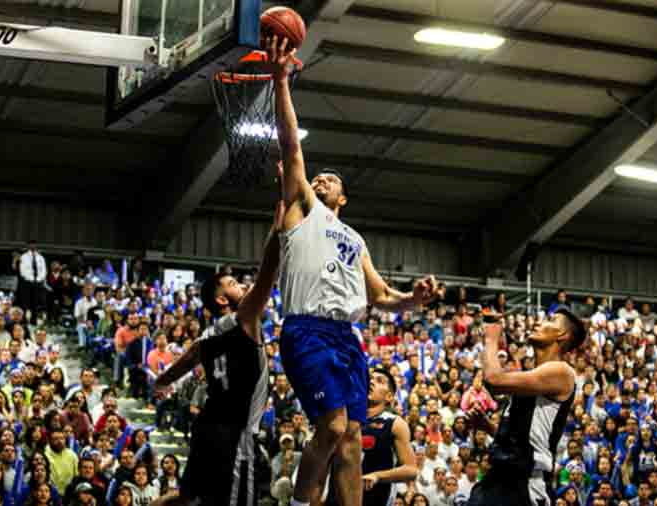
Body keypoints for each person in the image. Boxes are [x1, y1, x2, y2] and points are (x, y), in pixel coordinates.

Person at [267, 34, 440, 506]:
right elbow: (289, 143)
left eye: (331, 179)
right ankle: (302, 503)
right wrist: (282, 80)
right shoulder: (302, 208)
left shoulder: (355, 238)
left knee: (353, 439)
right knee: (334, 426)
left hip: (347, 336)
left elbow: (382, 295)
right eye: (316, 177)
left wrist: (414, 299)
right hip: (307, 329)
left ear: (342, 198)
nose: (320, 178)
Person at [151, 198, 285, 506]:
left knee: (186, 496)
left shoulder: (208, 335)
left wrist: (161, 381)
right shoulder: (244, 318)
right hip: (236, 435)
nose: (241, 285)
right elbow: (267, 272)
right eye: (233, 283)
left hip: (207, 428)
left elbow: (186, 360)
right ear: (222, 300)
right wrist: (277, 229)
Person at [465, 308, 586, 506]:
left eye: (550, 320)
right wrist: (488, 426)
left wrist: (491, 338)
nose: (539, 322)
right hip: (498, 479)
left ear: (562, 335)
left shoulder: (561, 371)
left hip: (523, 484)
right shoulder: (534, 377)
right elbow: (525, 441)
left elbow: (494, 381)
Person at [322, 368, 417, 506]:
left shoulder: (395, 423)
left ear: (389, 397)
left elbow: (411, 470)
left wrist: (377, 476)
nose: (371, 382)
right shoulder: (342, 419)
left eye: (379, 381)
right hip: (336, 499)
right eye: (370, 379)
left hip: (375, 497)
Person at [18, 240, 47, 325]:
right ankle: (24, 321)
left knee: (35, 303)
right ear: (28, 246)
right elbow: (22, 271)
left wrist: (38, 279)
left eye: (34, 245)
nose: (32, 247)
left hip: (38, 283)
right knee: (25, 302)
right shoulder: (24, 257)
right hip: (27, 282)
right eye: (31, 245)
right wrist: (31, 279)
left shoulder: (40, 257)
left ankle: (34, 321)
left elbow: (43, 270)